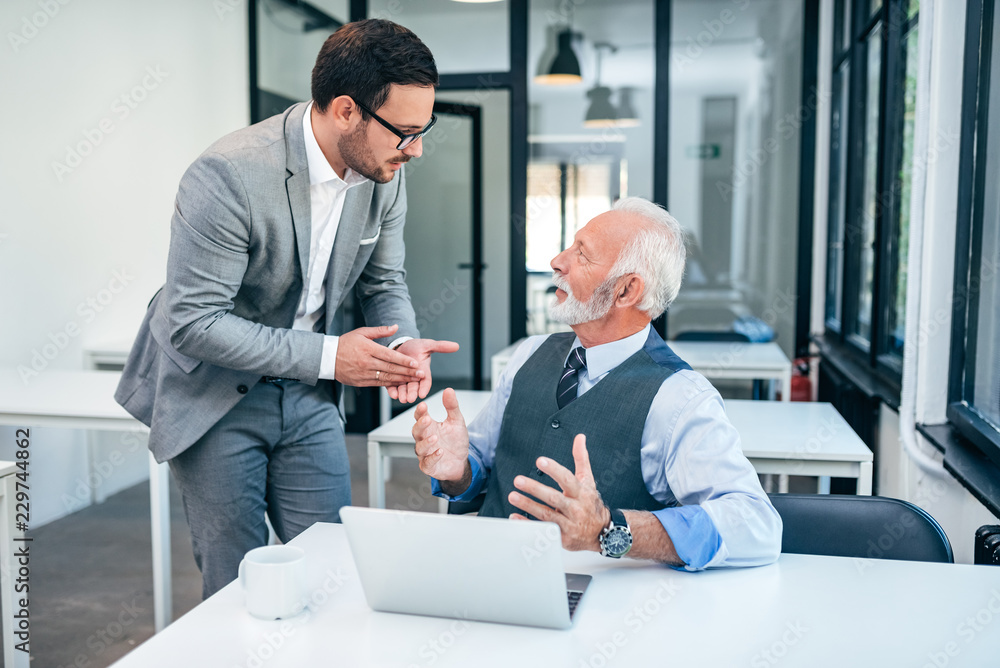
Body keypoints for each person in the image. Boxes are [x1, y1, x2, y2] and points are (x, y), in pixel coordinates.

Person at [115, 19, 458, 597]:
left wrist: (401, 345)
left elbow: (385, 280)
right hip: (216, 391)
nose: (416, 150)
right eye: (404, 132)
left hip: (307, 392)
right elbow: (194, 322)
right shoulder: (229, 174)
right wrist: (333, 357)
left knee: (333, 569)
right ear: (345, 110)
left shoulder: (384, 173)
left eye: (424, 130)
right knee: (241, 584)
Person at [413, 197, 781, 569]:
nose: (558, 260)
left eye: (582, 254)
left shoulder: (680, 398)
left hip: (601, 612)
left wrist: (609, 529)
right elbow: (479, 472)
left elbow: (757, 526)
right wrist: (457, 471)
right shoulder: (529, 353)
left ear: (626, 291)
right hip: (485, 578)